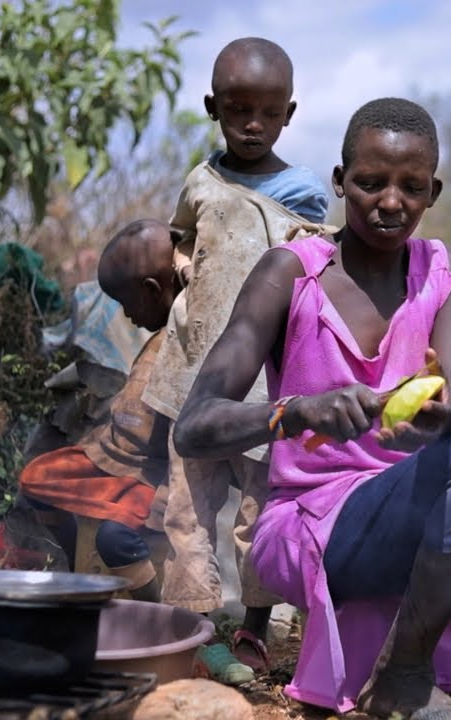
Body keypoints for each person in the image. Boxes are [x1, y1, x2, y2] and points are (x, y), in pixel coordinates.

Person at [173, 97, 451, 717]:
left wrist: (439, 422)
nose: (391, 202)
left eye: (412, 187)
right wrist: (295, 412)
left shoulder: (444, 271)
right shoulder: (288, 274)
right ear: (341, 182)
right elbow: (195, 426)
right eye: (371, 183)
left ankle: (407, 657)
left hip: (411, 509)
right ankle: (403, 671)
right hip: (310, 524)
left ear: (434, 191)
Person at [140, 36, 331, 683]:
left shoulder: (304, 195)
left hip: (263, 391)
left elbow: (318, 273)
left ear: (289, 114)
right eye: (237, 109)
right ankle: (191, 626)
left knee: (260, 513)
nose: (252, 123)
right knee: (187, 509)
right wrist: (185, 267)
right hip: (196, 373)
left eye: (267, 111)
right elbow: (181, 240)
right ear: (212, 107)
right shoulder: (201, 181)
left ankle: (253, 625)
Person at [18, 219, 178, 602]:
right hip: (113, 458)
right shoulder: (160, 331)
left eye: (127, 304)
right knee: (36, 478)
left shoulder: (192, 336)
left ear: (152, 290)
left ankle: (155, 613)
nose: (126, 317)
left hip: (158, 474)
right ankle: (77, 564)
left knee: (115, 537)